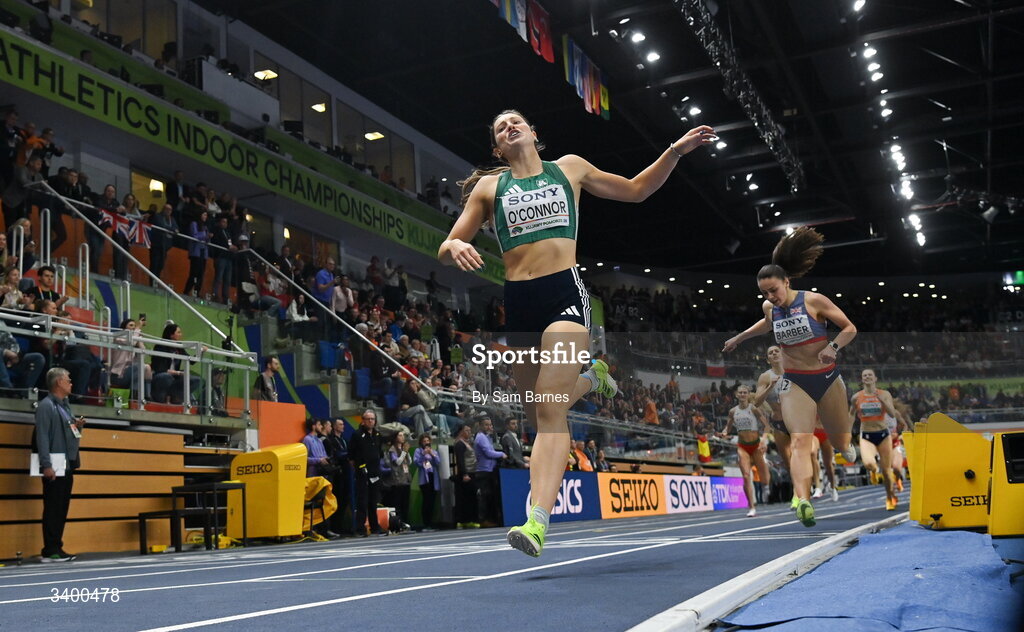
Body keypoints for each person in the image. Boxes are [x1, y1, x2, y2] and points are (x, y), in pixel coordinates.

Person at [438, 109, 715, 557]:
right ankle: (592, 378)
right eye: (500, 128)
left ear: (533, 131)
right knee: (540, 410)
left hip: (563, 293)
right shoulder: (491, 189)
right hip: (520, 303)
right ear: (497, 148)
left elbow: (638, 190)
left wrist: (674, 152)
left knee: (549, 409)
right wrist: (455, 244)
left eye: (516, 121)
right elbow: (446, 247)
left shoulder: (571, 169)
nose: (510, 126)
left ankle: (537, 521)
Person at [723, 227, 857, 528]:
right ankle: (803, 500)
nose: (771, 297)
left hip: (827, 378)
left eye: (775, 290)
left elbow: (849, 327)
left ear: (787, 281)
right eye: (765, 293)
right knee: (799, 441)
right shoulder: (771, 307)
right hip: (795, 382)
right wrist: (740, 338)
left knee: (841, 444)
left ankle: (845, 449)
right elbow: (766, 324)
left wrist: (833, 347)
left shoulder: (814, 301)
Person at [34, 368, 84, 562]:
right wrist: (46, 464)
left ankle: (56, 546)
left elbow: (69, 435)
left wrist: (77, 427)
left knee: (61, 507)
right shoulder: (47, 406)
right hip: (54, 464)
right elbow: (42, 437)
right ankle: (51, 548)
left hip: (66, 463)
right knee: (53, 507)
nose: (71, 383)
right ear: (58, 383)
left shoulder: (65, 406)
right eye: (68, 380)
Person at [753, 345, 797, 508]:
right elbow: (757, 401)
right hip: (778, 423)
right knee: (788, 461)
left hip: (796, 419)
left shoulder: (793, 371)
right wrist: (770, 386)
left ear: (782, 354)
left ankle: (803, 491)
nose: (773, 353)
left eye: (776, 351)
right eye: (770, 352)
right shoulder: (765, 377)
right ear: (768, 359)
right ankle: (797, 492)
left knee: (800, 455)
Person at [850, 368, 900, 511]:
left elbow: (892, 414)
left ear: (875, 378)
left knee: (886, 471)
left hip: (883, 434)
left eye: (869, 375)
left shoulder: (885, 394)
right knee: (869, 463)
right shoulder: (856, 397)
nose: (867, 377)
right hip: (866, 435)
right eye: (864, 375)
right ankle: (873, 470)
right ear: (862, 379)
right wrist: (847, 432)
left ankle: (890, 497)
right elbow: (851, 415)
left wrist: (883, 401)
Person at [716, 385, 770, 517]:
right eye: (740, 393)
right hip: (743, 447)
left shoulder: (754, 409)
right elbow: (727, 429)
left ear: (748, 394)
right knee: (746, 476)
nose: (742, 394)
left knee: (764, 477)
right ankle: (751, 507)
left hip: (756, 445)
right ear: (736, 395)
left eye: (745, 392)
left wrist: (763, 440)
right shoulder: (733, 411)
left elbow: (767, 426)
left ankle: (765, 486)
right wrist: (723, 433)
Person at [349, 409, 387, 536]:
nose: (371, 421)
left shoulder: (377, 435)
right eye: (368, 419)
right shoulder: (357, 435)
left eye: (372, 419)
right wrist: (359, 469)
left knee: (373, 501)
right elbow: (351, 456)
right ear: (363, 421)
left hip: (375, 472)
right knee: (362, 501)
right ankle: (360, 528)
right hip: (363, 473)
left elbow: (379, 453)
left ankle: (375, 527)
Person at [473, 415, 506, 527]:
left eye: (490, 425)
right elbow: (489, 453)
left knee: (489, 496)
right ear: (480, 425)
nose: (489, 427)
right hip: (483, 471)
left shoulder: (487, 437)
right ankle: (483, 520)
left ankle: (489, 519)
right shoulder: (481, 437)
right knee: (484, 496)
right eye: (486, 425)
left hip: (489, 470)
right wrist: (502, 454)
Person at [323, 418, 353, 536]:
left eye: (343, 424)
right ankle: (334, 526)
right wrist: (348, 454)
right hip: (337, 474)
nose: (343, 426)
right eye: (340, 424)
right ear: (334, 426)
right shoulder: (331, 440)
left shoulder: (344, 440)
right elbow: (337, 454)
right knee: (337, 499)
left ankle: (340, 526)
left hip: (346, 472)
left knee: (345, 500)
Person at [451, 422, 479, 529]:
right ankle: (462, 520)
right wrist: (464, 474)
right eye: (467, 430)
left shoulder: (466, 443)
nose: (469, 433)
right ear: (461, 432)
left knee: (471, 498)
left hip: (472, 472)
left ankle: (469, 519)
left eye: (470, 430)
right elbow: (460, 460)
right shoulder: (459, 444)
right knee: (465, 498)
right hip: (466, 474)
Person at [383, 431, 411, 532]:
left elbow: (409, 462)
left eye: (403, 435)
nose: (402, 437)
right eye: (400, 435)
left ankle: (406, 523)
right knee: (398, 504)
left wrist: (406, 452)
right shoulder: (392, 450)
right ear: (395, 438)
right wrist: (404, 452)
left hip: (406, 479)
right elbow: (397, 462)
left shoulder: (402, 449)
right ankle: (399, 524)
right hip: (397, 480)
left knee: (405, 504)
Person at [413, 433, 441, 530]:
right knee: (426, 500)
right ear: (421, 442)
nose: (426, 443)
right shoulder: (418, 451)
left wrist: (432, 454)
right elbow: (417, 463)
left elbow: (438, 462)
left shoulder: (433, 451)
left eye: (428, 441)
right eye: (424, 441)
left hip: (433, 477)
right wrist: (423, 455)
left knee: (432, 501)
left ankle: (431, 522)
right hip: (424, 479)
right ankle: (426, 523)